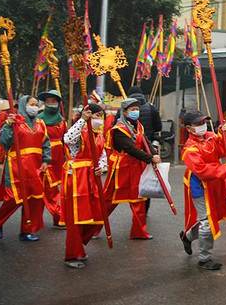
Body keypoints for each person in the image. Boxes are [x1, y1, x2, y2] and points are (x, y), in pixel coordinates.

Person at [96, 97, 160, 240]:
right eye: (132, 109)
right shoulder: (119, 129)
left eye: (137, 109)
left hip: (137, 167)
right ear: (124, 112)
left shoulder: (138, 126)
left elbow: (146, 142)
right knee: (109, 201)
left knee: (139, 200)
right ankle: (93, 228)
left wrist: (154, 153)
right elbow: (129, 148)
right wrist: (149, 158)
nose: (136, 112)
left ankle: (139, 232)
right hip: (121, 169)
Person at [179, 110, 226, 271]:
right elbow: (201, 170)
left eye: (204, 122)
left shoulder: (210, 136)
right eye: (198, 124)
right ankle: (204, 258)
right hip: (200, 185)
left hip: (214, 182)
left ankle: (187, 237)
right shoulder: (189, 149)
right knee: (207, 222)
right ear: (189, 128)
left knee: (211, 218)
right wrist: (224, 169)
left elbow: (224, 151)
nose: (203, 126)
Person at [0, 95, 51, 242]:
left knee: (33, 199)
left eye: (36, 104)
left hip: (35, 166)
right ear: (24, 105)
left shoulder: (40, 123)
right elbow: (4, 141)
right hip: (16, 166)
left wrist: (46, 160)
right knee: (13, 198)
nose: (35, 107)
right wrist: (8, 125)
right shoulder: (15, 121)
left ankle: (26, 231)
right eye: (31, 104)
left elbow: (46, 144)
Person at [62, 104, 108, 268]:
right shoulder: (79, 131)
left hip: (92, 177)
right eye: (95, 115)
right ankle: (72, 255)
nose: (98, 119)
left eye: (100, 115)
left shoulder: (100, 135)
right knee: (76, 218)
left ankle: (78, 245)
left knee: (96, 213)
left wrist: (101, 167)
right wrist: (82, 120)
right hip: (76, 178)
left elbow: (103, 155)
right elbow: (67, 139)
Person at [37, 90, 67, 229]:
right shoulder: (39, 119)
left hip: (59, 158)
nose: (50, 104)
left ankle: (36, 219)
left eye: (53, 101)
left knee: (46, 188)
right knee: (50, 189)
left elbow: (66, 139)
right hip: (45, 156)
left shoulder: (62, 121)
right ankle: (58, 216)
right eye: (48, 101)